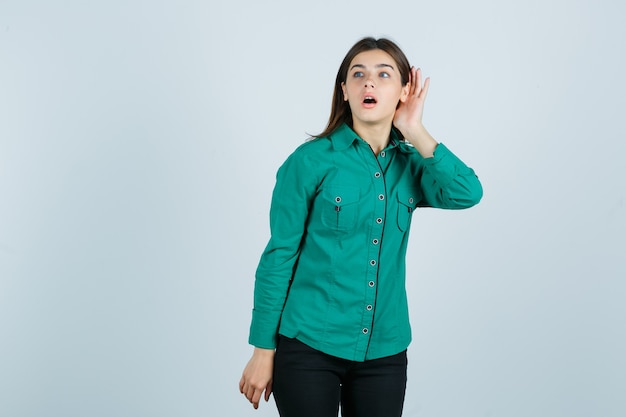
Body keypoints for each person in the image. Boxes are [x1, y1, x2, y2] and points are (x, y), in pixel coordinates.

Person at [239, 36, 483, 417]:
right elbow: (278, 256)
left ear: (404, 91)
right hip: (308, 347)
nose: (369, 82)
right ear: (345, 90)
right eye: (358, 74)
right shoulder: (309, 162)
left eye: (383, 75)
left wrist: (414, 128)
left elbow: (467, 192)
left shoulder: (413, 164)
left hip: (385, 352)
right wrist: (262, 349)